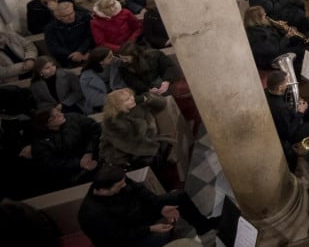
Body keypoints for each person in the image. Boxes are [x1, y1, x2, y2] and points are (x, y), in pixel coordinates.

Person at [78, 164, 218, 246]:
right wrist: (150, 228)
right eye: (120, 186)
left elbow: (140, 189)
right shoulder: (92, 215)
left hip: (138, 213)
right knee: (161, 237)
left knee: (178, 196)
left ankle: (203, 226)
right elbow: (118, 237)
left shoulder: (116, 179)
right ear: (102, 190)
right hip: (127, 236)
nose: (125, 185)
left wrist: (160, 207)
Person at [30, 106, 101, 191]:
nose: (62, 114)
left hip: (93, 157)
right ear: (48, 124)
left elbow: (95, 129)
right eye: (56, 116)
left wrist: (89, 152)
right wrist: (79, 163)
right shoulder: (40, 143)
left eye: (58, 112)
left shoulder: (72, 118)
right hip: (70, 175)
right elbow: (51, 164)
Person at [99, 88, 170, 171]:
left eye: (131, 96)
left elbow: (162, 104)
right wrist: (156, 147)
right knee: (157, 154)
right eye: (127, 99)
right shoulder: (112, 123)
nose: (132, 98)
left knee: (165, 146)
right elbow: (133, 143)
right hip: (123, 155)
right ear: (118, 106)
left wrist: (147, 98)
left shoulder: (135, 106)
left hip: (145, 142)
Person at [265, 69, 309, 166]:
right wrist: (300, 112)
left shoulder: (266, 92)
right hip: (288, 135)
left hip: (282, 119)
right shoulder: (282, 108)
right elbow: (289, 133)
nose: (289, 83)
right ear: (280, 87)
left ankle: (306, 122)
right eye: (286, 82)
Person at [242, 6, 306, 71]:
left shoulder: (259, 25)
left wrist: (280, 28)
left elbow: (272, 35)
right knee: (300, 50)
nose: (265, 14)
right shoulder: (255, 36)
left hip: (278, 45)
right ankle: (299, 71)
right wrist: (287, 37)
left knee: (298, 41)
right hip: (272, 59)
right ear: (257, 19)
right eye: (263, 14)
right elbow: (274, 50)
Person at [117, 42, 181, 96]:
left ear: (135, 55)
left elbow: (169, 67)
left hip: (161, 80)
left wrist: (166, 81)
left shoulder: (154, 55)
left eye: (126, 58)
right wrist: (148, 90)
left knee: (158, 84)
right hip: (144, 88)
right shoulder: (124, 66)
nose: (123, 61)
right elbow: (133, 82)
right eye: (121, 58)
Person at [44, 1, 95, 67]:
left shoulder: (84, 18)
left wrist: (81, 51)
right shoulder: (50, 29)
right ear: (58, 17)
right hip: (67, 58)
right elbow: (54, 47)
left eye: (72, 13)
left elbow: (89, 37)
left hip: (87, 52)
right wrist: (74, 55)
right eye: (66, 16)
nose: (71, 17)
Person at [80, 46, 128, 113]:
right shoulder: (86, 78)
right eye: (110, 57)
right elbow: (94, 99)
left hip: (121, 98)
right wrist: (115, 97)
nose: (113, 58)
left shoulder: (115, 64)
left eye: (112, 55)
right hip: (102, 106)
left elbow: (122, 83)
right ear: (101, 62)